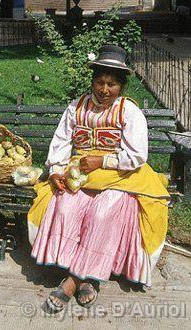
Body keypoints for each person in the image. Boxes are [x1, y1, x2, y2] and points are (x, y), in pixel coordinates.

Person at [28, 44, 170, 316]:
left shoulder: (128, 111)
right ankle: (88, 277)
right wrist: (57, 170)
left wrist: (102, 160)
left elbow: (137, 156)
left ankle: (72, 282)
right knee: (66, 205)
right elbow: (60, 142)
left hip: (122, 175)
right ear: (92, 81)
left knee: (104, 211)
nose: (104, 90)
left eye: (112, 84)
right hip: (81, 173)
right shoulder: (76, 107)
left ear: (122, 86)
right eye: (100, 82)